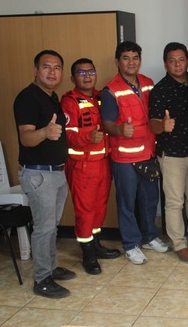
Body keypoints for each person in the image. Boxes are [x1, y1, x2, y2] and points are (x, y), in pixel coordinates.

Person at [14, 50, 76, 299]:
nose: (52, 72)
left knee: (52, 226)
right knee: (43, 228)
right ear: (35, 70)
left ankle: (50, 268)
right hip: (39, 174)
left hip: (56, 172)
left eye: (57, 67)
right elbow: (26, 137)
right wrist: (45, 132)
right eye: (46, 67)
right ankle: (42, 279)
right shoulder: (28, 98)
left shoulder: (51, 98)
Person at [101, 41, 169, 265]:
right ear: (117, 61)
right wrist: (120, 129)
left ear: (140, 60)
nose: (131, 62)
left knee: (150, 200)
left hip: (148, 154)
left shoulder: (148, 83)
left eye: (135, 58)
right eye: (126, 58)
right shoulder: (111, 90)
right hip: (124, 158)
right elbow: (107, 123)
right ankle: (131, 244)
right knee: (127, 202)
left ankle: (149, 237)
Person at [149, 42, 188, 264]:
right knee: (175, 202)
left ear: (187, 61)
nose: (177, 64)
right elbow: (152, 123)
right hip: (172, 153)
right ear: (166, 63)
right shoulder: (159, 90)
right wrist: (162, 126)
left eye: (181, 59)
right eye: (172, 60)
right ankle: (179, 244)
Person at [61, 58, 121, 275]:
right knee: (84, 212)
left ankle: (96, 245)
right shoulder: (69, 102)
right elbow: (67, 134)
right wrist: (88, 136)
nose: (87, 76)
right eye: (82, 73)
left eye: (91, 72)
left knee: (99, 208)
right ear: (73, 78)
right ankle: (88, 255)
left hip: (103, 164)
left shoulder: (100, 97)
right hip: (82, 167)